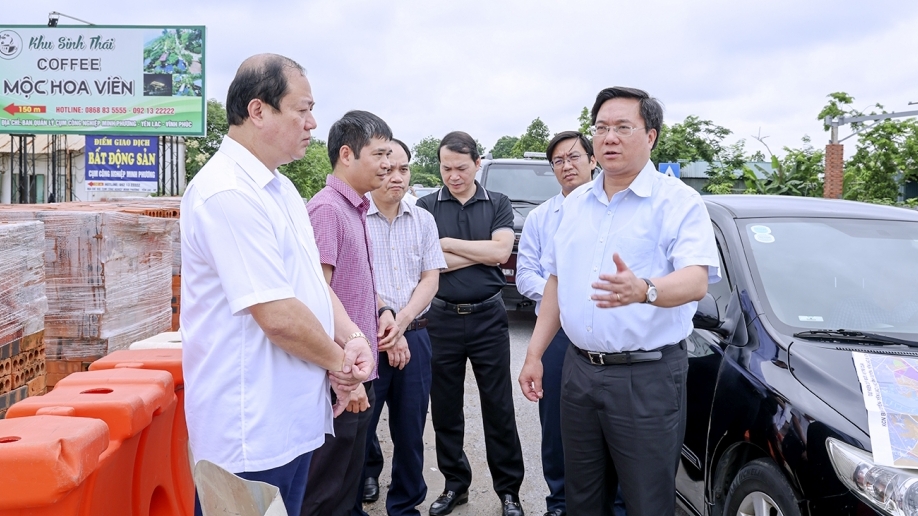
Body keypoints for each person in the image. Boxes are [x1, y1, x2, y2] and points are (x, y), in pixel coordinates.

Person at [180, 54, 374, 516]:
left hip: (290, 423)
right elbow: (278, 315)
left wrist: (351, 336)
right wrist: (341, 365)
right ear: (258, 110)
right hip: (249, 433)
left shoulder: (280, 189)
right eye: (302, 110)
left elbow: (310, 284)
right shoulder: (228, 192)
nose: (312, 123)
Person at [518, 86, 720, 516]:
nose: (609, 137)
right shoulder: (575, 205)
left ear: (651, 136)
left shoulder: (677, 201)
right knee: (583, 498)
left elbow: (695, 280)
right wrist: (534, 354)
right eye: (601, 128)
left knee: (646, 501)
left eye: (623, 127)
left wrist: (644, 289)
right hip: (579, 372)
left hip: (646, 378)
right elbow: (556, 282)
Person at [518, 131, 629, 516]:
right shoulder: (541, 217)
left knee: (613, 427)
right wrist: (566, 295)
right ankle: (559, 501)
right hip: (557, 334)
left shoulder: (620, 209)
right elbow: (527, 275)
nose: (567, 166)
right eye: (558, 161)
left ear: (592, 160)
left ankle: (616, 504)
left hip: (608, 336)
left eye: (574, 157)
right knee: (556, 424)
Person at [416, 131, 526, 516]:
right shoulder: (426, 206)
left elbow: (501, 251)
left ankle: (509, 491)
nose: (454, 175)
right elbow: (426, 263)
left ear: (477, 164)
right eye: (446, 168)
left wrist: (446, 244)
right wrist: (478, 253)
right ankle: (454, 485)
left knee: (498, 407)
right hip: (441, 317)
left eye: (461, 168)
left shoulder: (497, 202)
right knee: (445, 408)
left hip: (488, 318)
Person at [302, 110, 398, 516]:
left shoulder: (354, 209)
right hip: (341, 380)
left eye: (390, 156)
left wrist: (382, 309)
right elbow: (317, 296)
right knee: (326, 493)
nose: (388, 165)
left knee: (348, 490)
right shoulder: (327, 210)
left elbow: (352, 284)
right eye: (379, 154)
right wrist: (345, 377)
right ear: (347, 154)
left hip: (360, 372)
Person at [359, 138, 446, 516]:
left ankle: (406, 505)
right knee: (359, 428)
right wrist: (388, 325)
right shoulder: (356, 216)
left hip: (417, 335)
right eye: (388, 168)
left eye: (404, 169)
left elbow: (430, 278)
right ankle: (352, 501)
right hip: (366, 338)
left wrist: (403, 320)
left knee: (411, 431)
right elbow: (355, 279)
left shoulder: (423, 219)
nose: (397, 176)